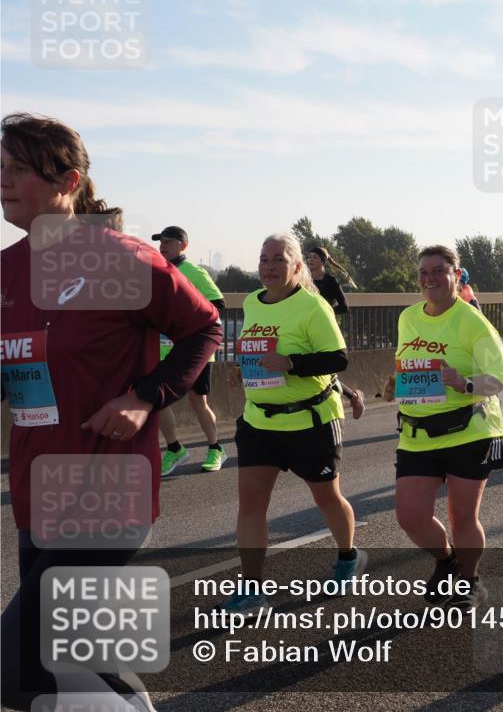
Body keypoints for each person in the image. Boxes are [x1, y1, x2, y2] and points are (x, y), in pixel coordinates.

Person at [0, 113, 222, 709]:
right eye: (0, 168)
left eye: (18, 169)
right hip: (36, 487)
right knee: (74, 659)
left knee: (18, 664)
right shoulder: (7, 268)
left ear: (69, 181)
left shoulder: (120, 258)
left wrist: (145, 395)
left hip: (106, 487)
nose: (3, 181)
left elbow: (205, 327)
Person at [220, 233, 364, 613]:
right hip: (259, 422)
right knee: (250, 506)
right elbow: (257, 352)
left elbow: (339, 360)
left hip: (310, 420)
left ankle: (348, 557)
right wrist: (241, 371)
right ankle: (251, 589)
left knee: (327, 498)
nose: (268, 266)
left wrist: (292, 364)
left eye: (278, 259)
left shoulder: (313, 307)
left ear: (297, 267)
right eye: (263, 259)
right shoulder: (252, 302)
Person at [390, 245, 503, 611]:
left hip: (470, 429)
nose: (430, 278)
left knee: (462, 518)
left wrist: (465, 384)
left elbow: (501, 377)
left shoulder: (472, 321)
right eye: (424, 272)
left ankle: (470, 580)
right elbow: (408, 362)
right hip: (417, 433)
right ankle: (446, 560)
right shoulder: (408, 317)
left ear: (456, 276)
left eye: (439, 270)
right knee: (410, 516)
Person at [152, 225, 228, 474]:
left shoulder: (194, 272)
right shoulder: (157, 271)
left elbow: (218, 304)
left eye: (169, 241)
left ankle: (216, 448)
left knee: (198, 402)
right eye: (160, 241)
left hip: (195, 350)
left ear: (183, 245)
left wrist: (184, 319)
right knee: (158, 400)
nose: (163, 245)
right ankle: (174, 449)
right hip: (164, 350)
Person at [305, 246, 366, 419]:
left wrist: (327, 312)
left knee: (324, 370)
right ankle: (352, 397)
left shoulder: (330, 282)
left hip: (325, 329)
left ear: (323, 261)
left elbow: (344, 306)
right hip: (305, 328)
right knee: (321, 370)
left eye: (314, 257)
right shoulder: (304, 281)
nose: (310, 260)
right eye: (308, 257)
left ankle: (353, 397)